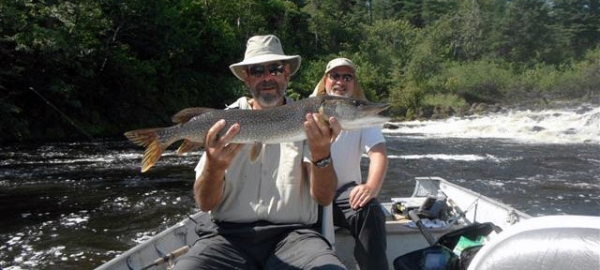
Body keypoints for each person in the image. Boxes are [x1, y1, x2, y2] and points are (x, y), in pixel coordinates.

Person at [174, 35, 347, 270]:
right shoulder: (225, 121)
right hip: (227, 238)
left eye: (275, 69)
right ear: (246, 78)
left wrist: (322, 153)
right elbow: (205, 204)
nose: (267, 77)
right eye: (257, 70)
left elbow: (324, 198)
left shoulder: (309, 120)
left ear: (287, 73)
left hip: (294, 238)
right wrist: (214, 167)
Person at [312, 58, 389, 270]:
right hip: (308, 196)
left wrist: (371, 186)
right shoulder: (308, 108)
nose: (341, 81)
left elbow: (378, 153)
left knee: (371, 210)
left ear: (354, 83)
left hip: (345, 196)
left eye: (347, 77)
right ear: (325, 81)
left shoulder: (359, 113)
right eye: (335, 76)